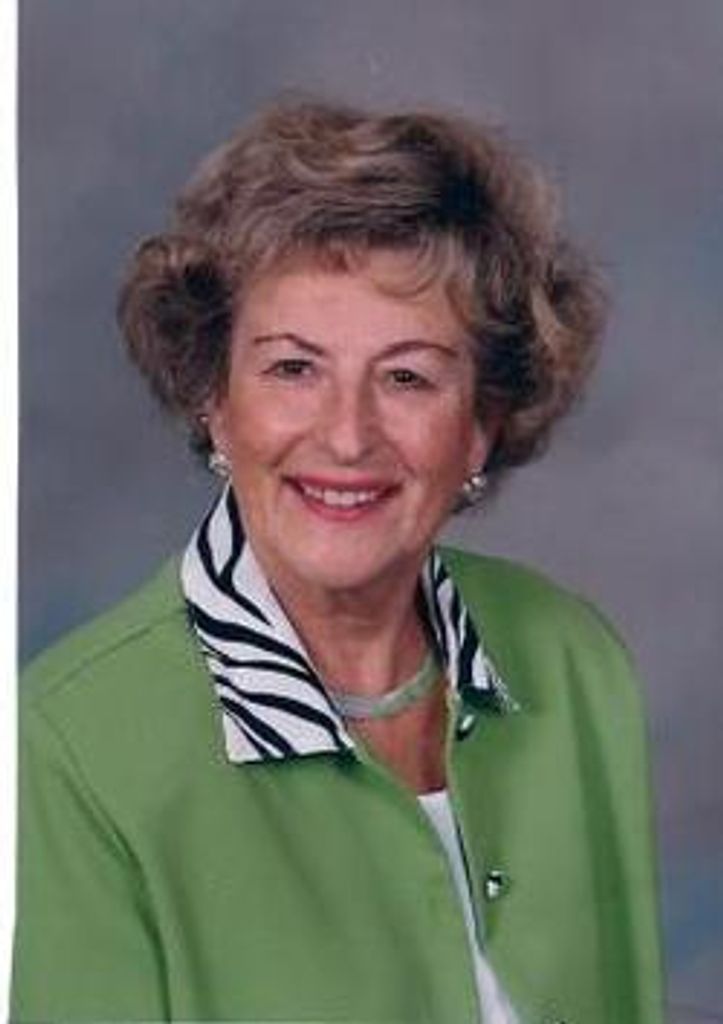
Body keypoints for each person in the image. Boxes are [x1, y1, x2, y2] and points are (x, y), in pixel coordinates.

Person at [12, 98, 664, 1023]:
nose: (347, 436)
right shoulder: (71, 748)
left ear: (480, 425)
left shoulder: (572, 662)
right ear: (214, 401)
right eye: (293, 368)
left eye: (406, 377)